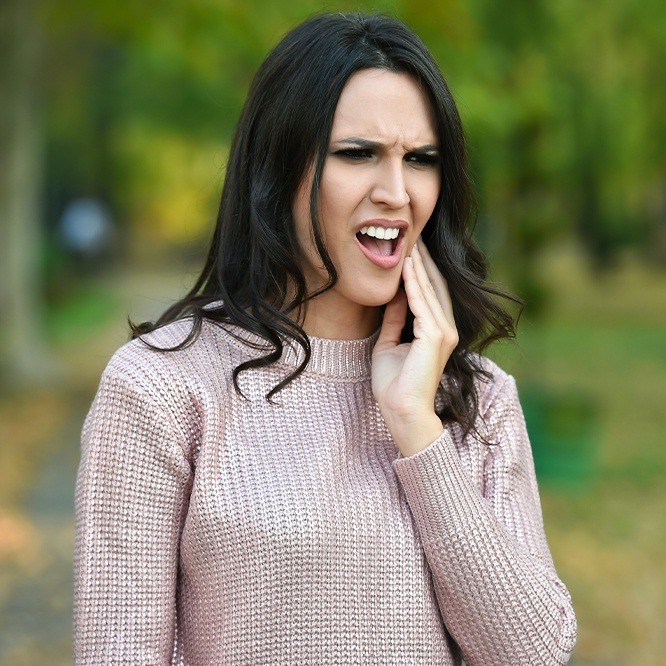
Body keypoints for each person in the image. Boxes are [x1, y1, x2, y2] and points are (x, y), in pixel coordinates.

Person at [74, 12, 577, 666]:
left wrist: (415, 426)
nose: (396, 193)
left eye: (420, 159)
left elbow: (534, 654)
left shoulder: (479, 401)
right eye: (358, 153)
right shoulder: (161, 389)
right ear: (278, 169)